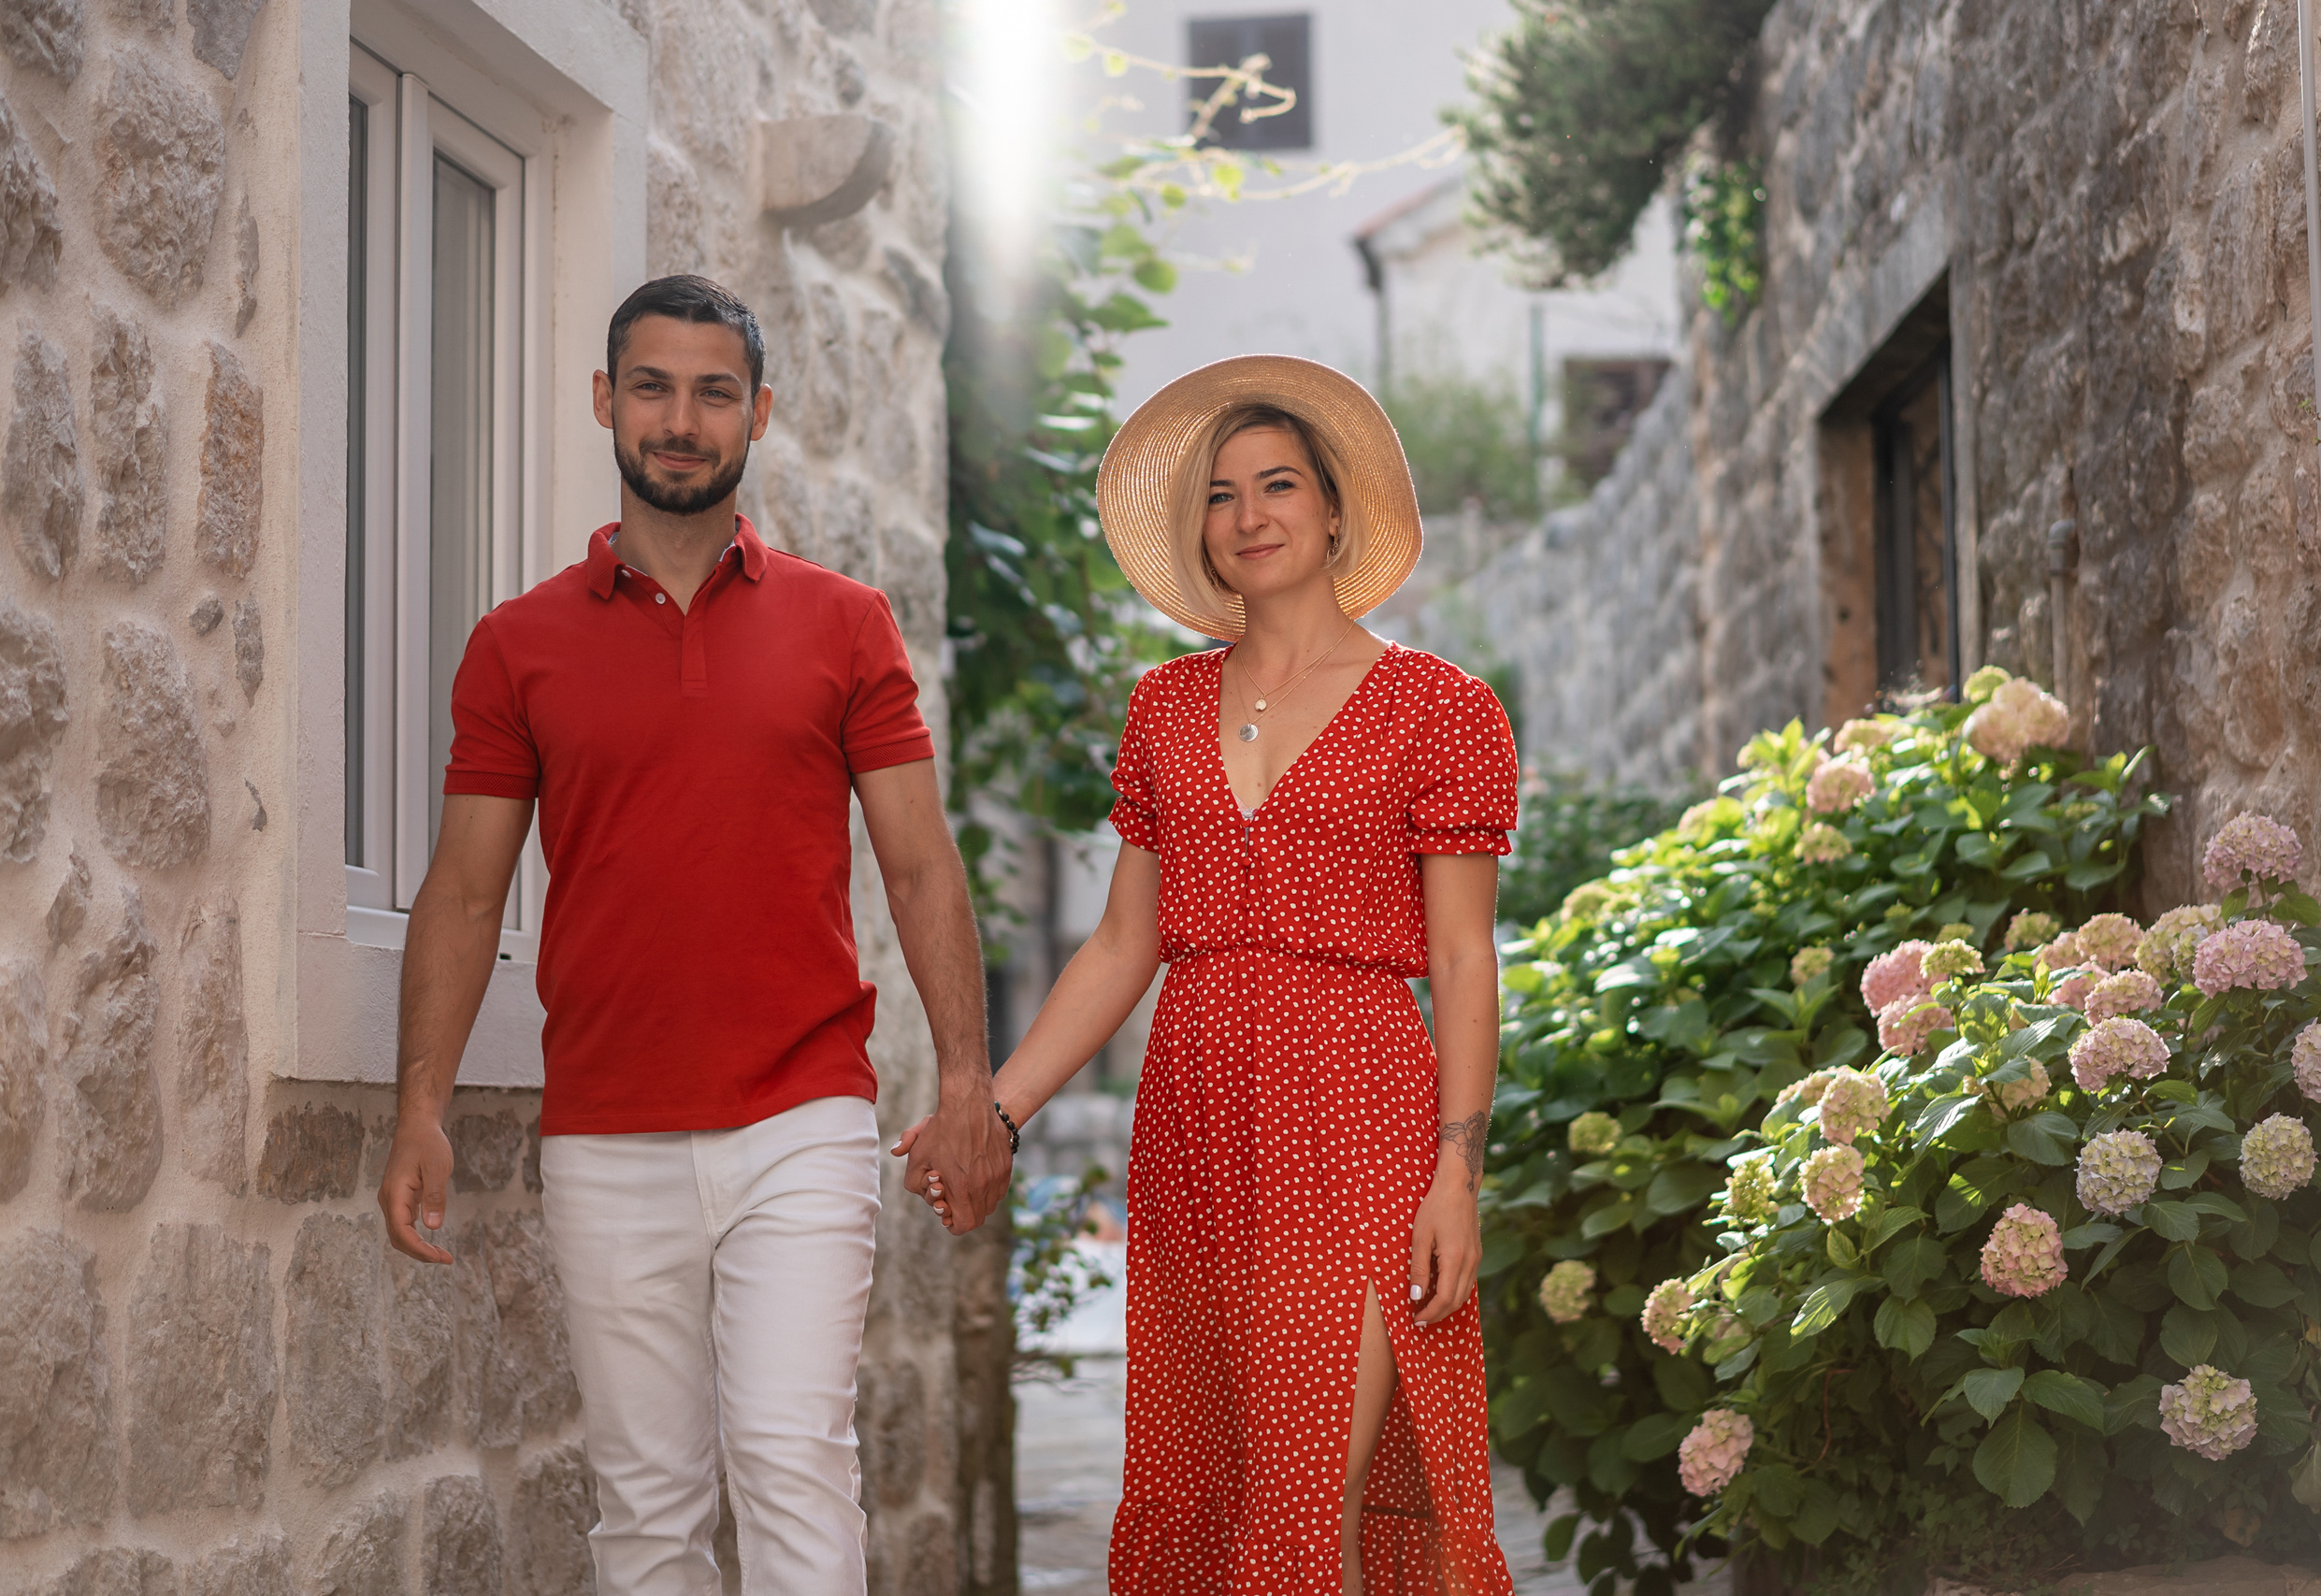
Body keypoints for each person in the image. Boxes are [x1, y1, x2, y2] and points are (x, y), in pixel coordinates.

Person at [374, 274, 1011, 1596]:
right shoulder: (517, 646)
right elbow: (460, 891)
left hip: (803, 1116)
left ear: (758, 414)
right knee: (648, 1509)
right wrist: (419, 1104)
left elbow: (917, 862)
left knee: (791, 1458)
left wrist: (966, 1086)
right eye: (653, 387)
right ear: (606, 402)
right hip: (607, 1132)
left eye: (714, 391)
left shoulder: (845, 624)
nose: (681, 418)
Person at [900, 354, 1518, 1595]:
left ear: (1335, 509)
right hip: (1194, 1127)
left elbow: (1461, 959)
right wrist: (996, 1109)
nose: (1251, 516)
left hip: (1359, 1121)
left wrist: (1458, 1169)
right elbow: (1125, 945)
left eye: (1279, 485)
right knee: (1219, 1488)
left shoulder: (1439, 709)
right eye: (1224, 497)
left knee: (1307, 1501)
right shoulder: (1166, 709)